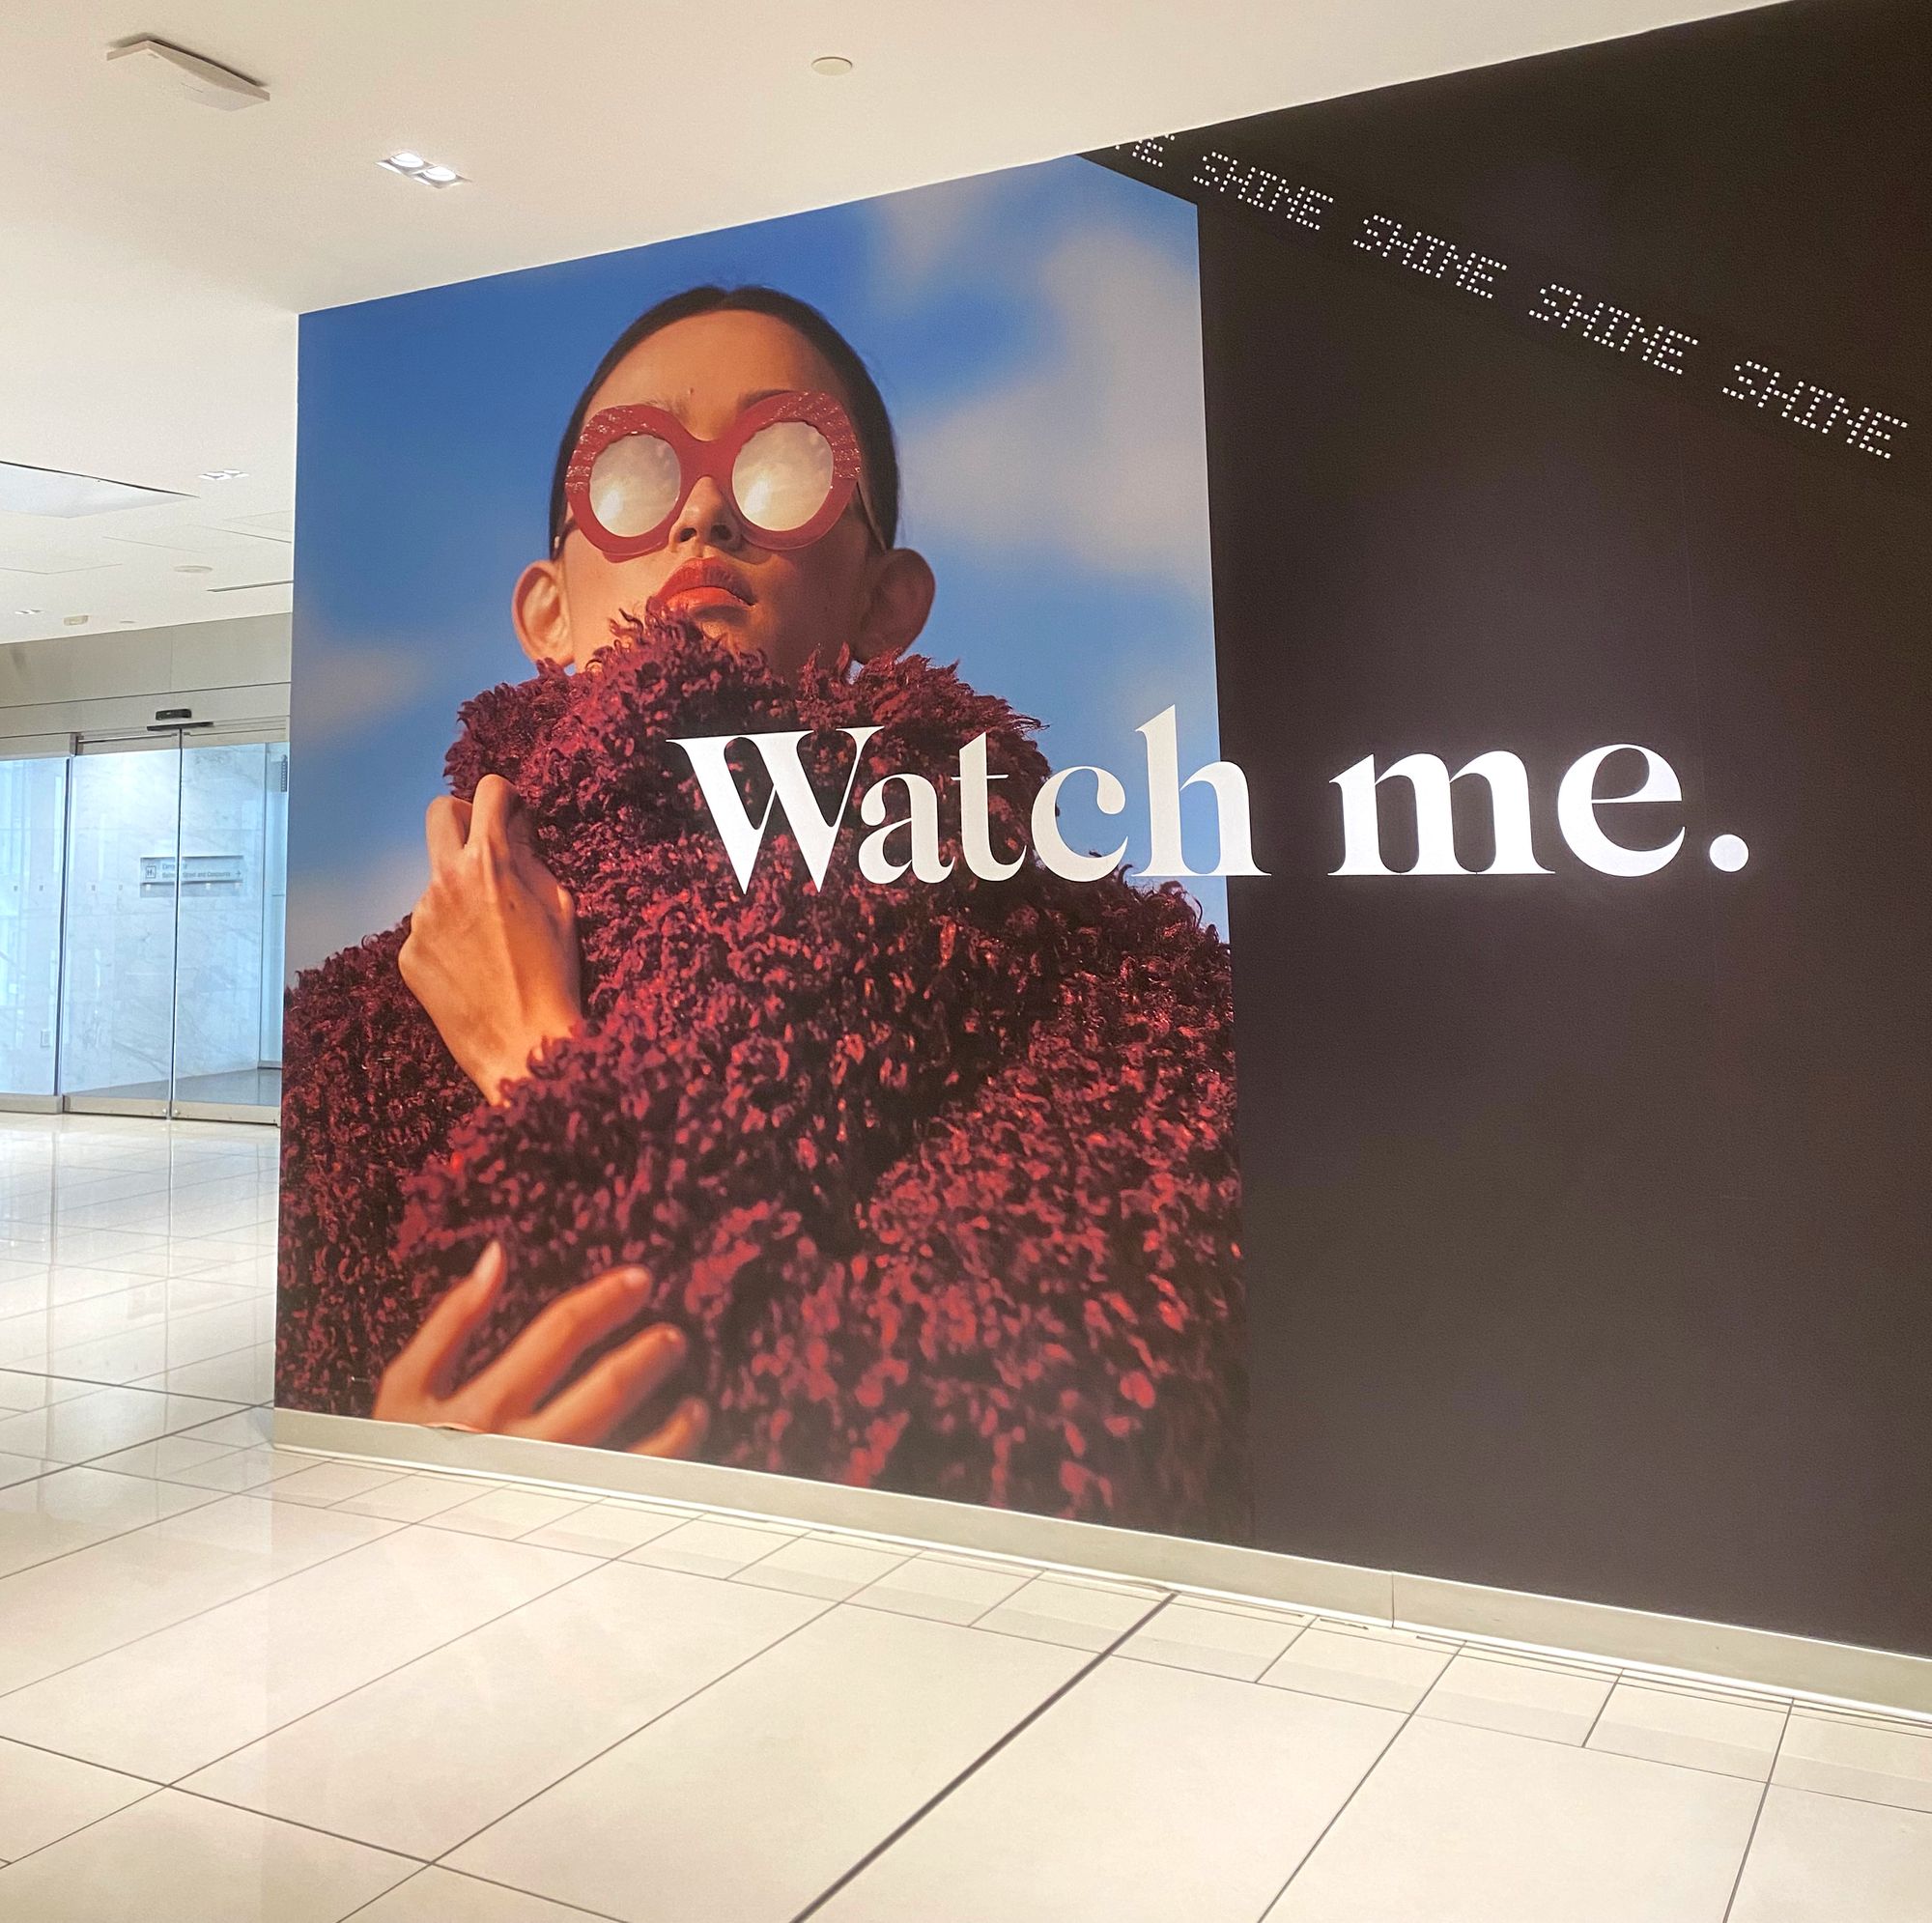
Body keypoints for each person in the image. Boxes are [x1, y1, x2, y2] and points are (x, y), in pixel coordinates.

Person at [276, 286, 1249, 1534]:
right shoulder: (359, 1036)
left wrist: (539, 1069)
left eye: (782, 461)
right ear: (546, 611)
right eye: (632, 476)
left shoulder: (1114, 991)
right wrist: (374, 1475)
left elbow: (996, 1464)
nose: (702, 506)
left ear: (886, 601)